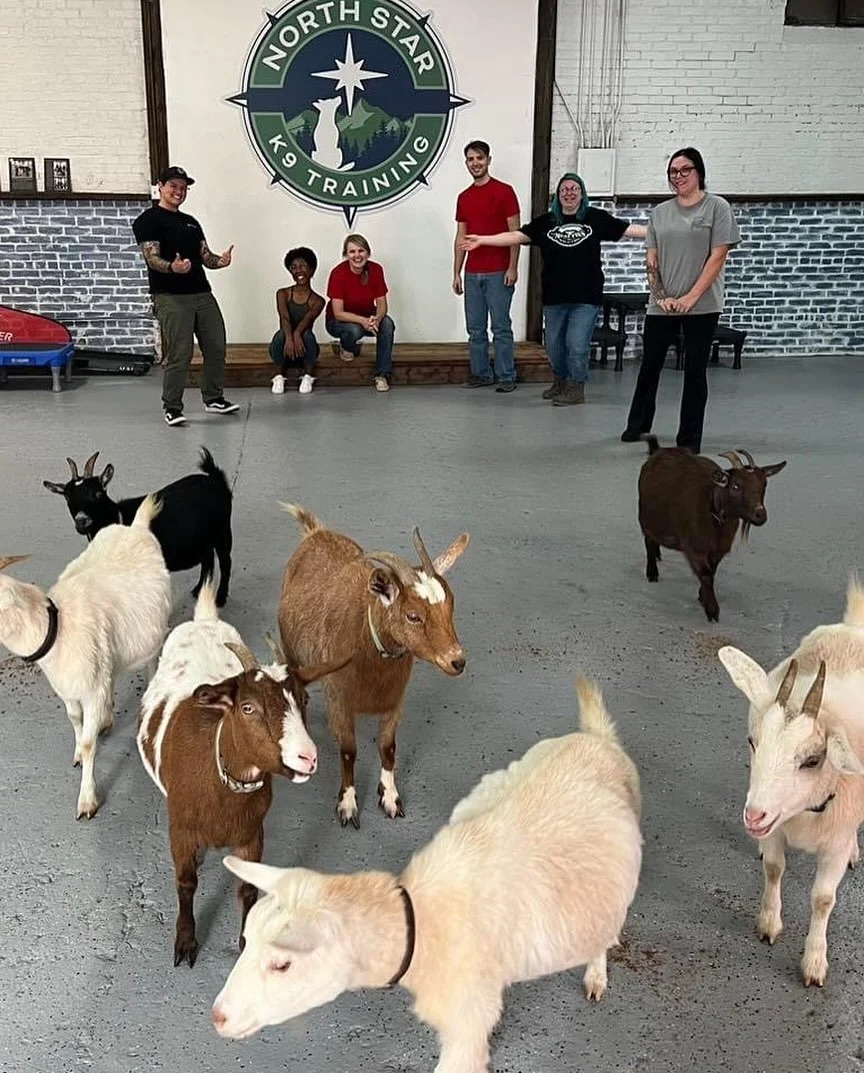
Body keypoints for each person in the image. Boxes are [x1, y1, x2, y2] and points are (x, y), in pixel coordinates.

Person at [461, 173, 646, 405]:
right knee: (555, 348)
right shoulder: (546, 222)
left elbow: (629, 229)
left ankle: (576, 388)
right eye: (564, 190)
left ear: (582, 194)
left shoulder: (595, 218)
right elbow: (515, 236)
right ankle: (560, 381)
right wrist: (483, 240)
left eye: (574, 189)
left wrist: (661, 231)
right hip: (554, 299)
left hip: (585, 299)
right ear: (558, 196)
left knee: (577, 346)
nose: (569, 193)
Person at [622, 147, 741, 453]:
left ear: (699, 172)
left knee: (695, 372)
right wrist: (660, 296)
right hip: (662, 306)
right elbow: (652, 259)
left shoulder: (717, 208)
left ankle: (688, 440)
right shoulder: (660, 213)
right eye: (673, 172)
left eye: (685, 169)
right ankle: (638, 426)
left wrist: (690, 298)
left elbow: (718, 257)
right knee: (650, 366)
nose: (679, 176)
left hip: (702, 305)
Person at [132, 165, 239, 427]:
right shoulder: (148, 220)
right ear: (161, 186)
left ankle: (213, 398)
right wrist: (173, 267)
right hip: (170, 296)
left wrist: (221, 261)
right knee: (180, 353)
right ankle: (172, 407)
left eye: (183, 188)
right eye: (173, 186)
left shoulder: (191, 222)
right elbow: (151, 258)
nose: (178, 191)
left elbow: (206, 257)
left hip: (202, 293)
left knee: (216, 347)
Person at [453, 141, 521, 392]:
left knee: (500, 327)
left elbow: (515, 234)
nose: (475, 163)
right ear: (466, 163)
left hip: (498, 271)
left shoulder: (505, 192)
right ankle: (481, 374)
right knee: (475, 329)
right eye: (470, 159)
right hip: (472, 273)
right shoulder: (464, 197)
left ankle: (506, 376)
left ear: (488, 160)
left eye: (479, 158)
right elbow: (461, 237)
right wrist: (456, 272)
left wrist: (512, 267)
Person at [325, 234, 395, 393]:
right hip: (338, 321)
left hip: (367, 316)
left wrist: (377, 318)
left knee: (387, 324)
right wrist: (363, 321)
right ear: (346, 254)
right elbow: (338, 313)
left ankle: (382, 374)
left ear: (368, 253)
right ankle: (346, 346)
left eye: (361, 250)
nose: (357, 255)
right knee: (354, 330)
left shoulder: (376, 269)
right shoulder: (338, 273)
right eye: (352, 251)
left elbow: (382, 304)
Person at [269, 247, 325, 395]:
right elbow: (284, 317)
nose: (298, 271)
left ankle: (308, 376)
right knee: (281, 334)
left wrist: (296, 334)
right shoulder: (283, 293)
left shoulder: (318, 301)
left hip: (304, 350)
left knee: (307, 334)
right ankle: (278, 376)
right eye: (293, 267)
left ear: (311, 269)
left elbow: (306, 321)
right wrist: (289, 337)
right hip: (284, 348)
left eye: (303, 266)